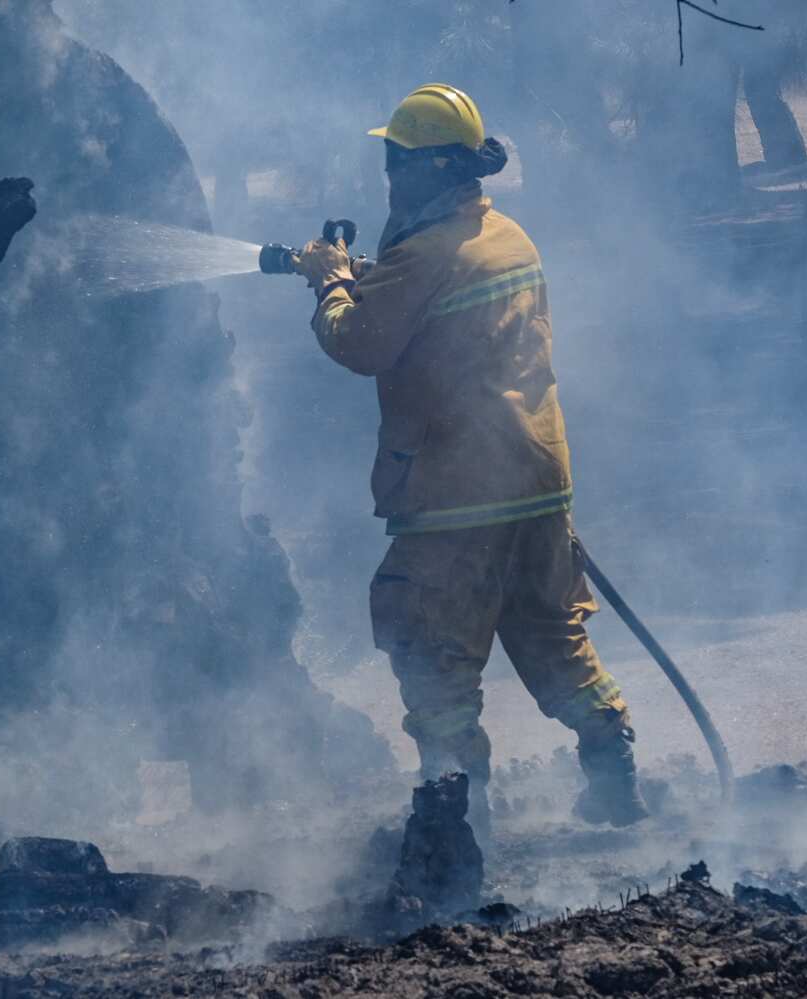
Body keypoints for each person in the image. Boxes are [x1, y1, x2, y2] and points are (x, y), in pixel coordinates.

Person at [293, 84, 649, 836]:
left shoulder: (423, 256)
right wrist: (368, 279)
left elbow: (360, 342)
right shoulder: (509, 238)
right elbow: (433, 312)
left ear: (423, 169)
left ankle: (450, 826)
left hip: (457, 492)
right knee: (552, 631)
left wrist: (330, 283)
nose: (387, 176)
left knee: (436, 654)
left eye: (394, 161)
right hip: (537, 481)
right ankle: (613, 766)